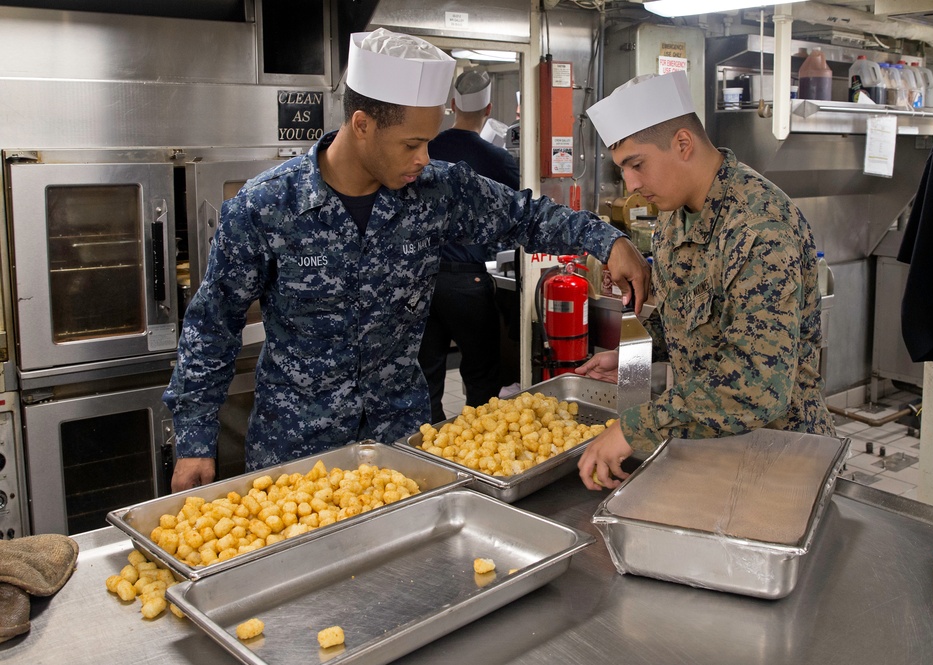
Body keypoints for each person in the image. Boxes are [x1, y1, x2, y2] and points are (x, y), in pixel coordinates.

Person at [164, 28, 650, 492]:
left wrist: (607, 240)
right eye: (411, 144)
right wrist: (193, 439)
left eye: (428, 141)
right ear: (362, 125)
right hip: (295, 453)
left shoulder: (436, 191)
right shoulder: (267, 206)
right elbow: (213, 325)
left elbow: (525, 215)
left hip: (401, 444)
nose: (423, 157)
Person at [577, 71, 836, 491]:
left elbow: (757, 385)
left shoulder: (758, 228)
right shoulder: (674, 219)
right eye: (623, 169)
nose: (633, 185)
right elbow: (695, 317)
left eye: (637, 165)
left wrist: (635, 429)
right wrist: (637, 355)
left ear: (683, 143)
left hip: (781, 461)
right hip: (713, 450)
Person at [418, 69, 520, 424]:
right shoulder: (498, 160)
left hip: (422, 279)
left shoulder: (424, 149)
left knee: (427, 377)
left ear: (450, 105)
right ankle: (478, 446)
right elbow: (516, 214)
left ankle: (428, 450)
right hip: (467, 283)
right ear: (489, 108)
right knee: (481, 378)